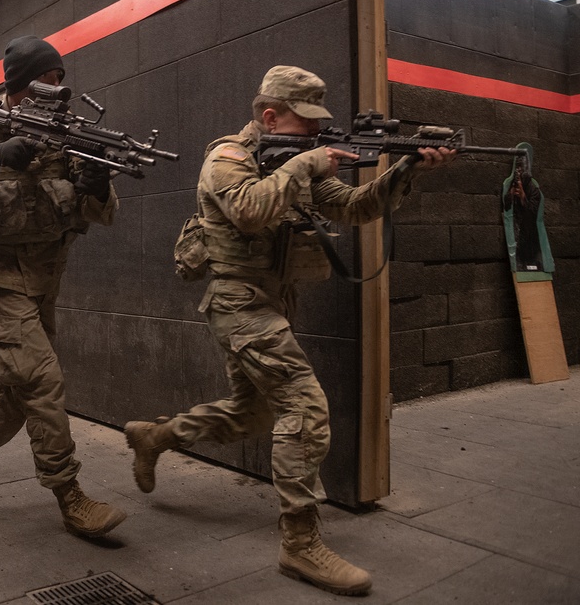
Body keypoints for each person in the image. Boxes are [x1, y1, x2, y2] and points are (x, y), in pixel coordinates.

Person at [124, 66, 456, 595]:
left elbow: (354, 207)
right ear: (270, 115)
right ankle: (300, 544)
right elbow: (250, 212)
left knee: (251, 411)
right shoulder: (228, 158)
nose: (316, 134)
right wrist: (304, 162)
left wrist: (407, 169)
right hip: (238, 302)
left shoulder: (295, 161)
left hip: (274, 301)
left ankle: (155, 436)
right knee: (305, 408)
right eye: (306, 123)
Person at [0, 36, 125, 538]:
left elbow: (105, 214)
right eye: (47, 78)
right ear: (17, 85)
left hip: (44, 280)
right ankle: (69, 495)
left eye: (60, 78)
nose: (57, 88)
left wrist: (97, 184)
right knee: (42, 383)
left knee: (16, 393)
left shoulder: (63, 131)